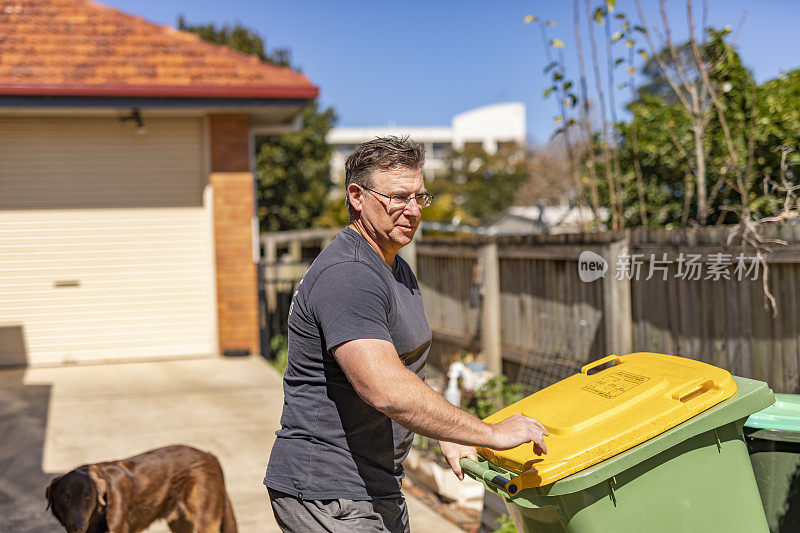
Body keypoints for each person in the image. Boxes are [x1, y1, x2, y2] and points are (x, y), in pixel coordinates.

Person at [264, 136, 547, 532]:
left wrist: (449, 431)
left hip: (377, 482)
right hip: (328, 491)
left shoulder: (395, 267)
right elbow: (386, 389)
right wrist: (490, 433)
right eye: (398, 197)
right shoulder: (350, 274)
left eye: (420, 197)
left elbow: (407, 369)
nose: (413, 211)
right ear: (357, 196)